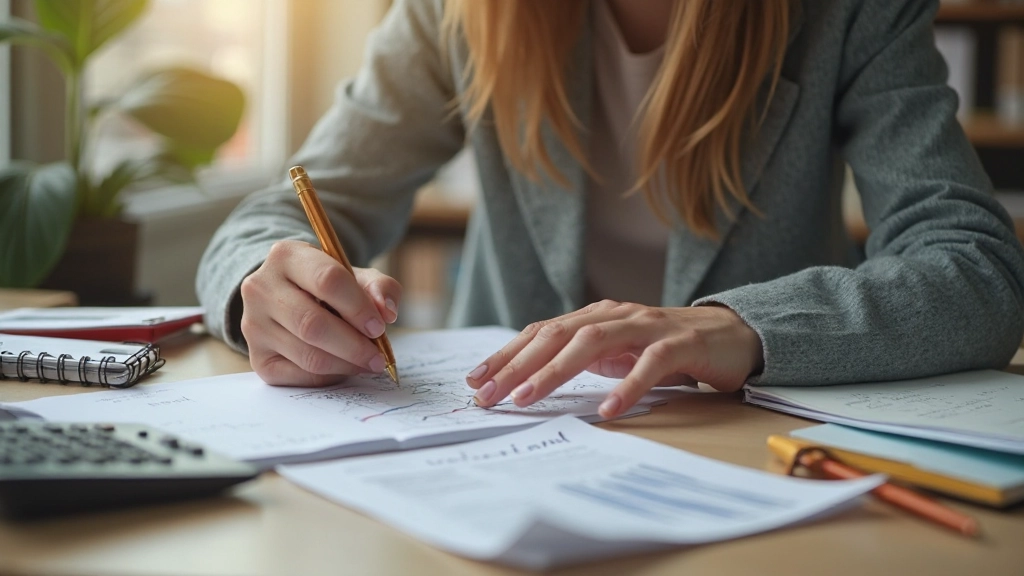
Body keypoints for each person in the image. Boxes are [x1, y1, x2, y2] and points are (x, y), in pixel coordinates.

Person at [197, 0, 1024, 420]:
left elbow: (976, 267)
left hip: (746, 452)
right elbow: (286, 211)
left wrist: (743, 328)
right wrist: (263, 291)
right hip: (489, 443)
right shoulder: (459, 10)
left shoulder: (851, 12)